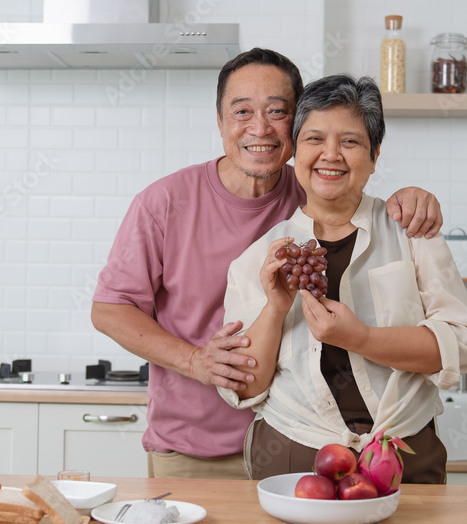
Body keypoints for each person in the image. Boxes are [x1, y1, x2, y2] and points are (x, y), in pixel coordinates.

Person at [91, 48, 445, 480]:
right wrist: (194, 361)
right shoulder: (164, 202)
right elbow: (110, 309)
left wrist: (410, 198)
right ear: (220, 122)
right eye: (242, 111)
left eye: (277, 111)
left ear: (297, 125)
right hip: (196, 447)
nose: (259, 127)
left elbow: (369, 212)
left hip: (303, 444)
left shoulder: (317, 203)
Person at [218, 74, 467, 483]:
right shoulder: (258, 258)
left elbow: (465, 346)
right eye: (314, 139)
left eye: (350, 141)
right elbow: (245, 385)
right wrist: (276, 308)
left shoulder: (412, 232)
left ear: (374, 155)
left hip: (403, 453)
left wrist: (360, 338)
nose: (331, 155)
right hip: (294, 453)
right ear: (293, 150)